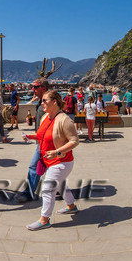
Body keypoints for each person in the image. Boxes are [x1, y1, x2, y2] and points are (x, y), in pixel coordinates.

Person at [25, 87, 79, 230]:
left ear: (54, 102)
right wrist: (30, 137)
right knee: (60, 185)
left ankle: (44, 220)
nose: (41, 103)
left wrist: (57, 152)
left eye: (44, 100)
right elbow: (43, 135)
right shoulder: (45, 117)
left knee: (48, 188)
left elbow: (74, 141)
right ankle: (71, 206)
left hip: (62, 161)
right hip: (48, 160)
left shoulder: (64, 120)